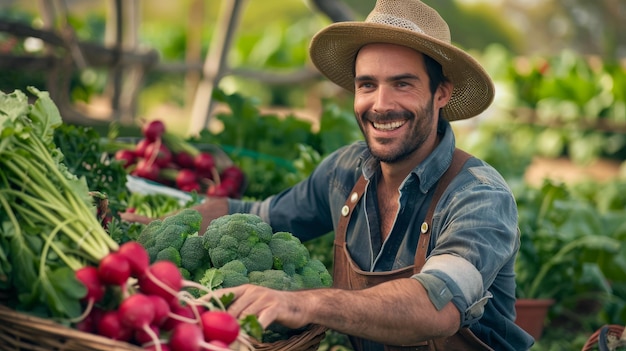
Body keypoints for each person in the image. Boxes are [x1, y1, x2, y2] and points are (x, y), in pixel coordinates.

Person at [123, 0, 534, 350]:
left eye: (403, 84)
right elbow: (255, 214)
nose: (381, 104)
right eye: (367, 84)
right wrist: (153, 225)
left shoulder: (479, 197)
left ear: (440, 93)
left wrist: (307, 303)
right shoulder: (344, 173)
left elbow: (437, 304)